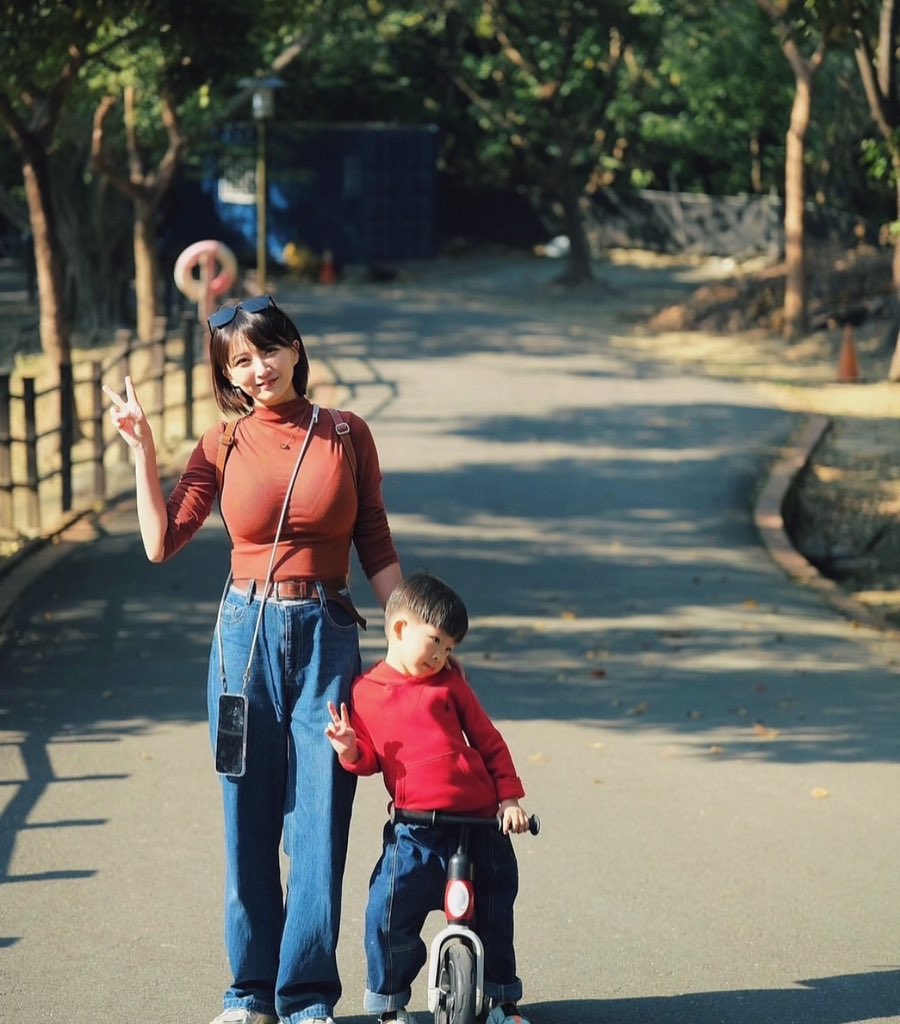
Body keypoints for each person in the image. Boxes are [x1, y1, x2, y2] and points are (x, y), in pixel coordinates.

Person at [104, 294, 403, 1024]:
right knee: (246, 816)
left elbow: (374, 541)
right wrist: (142, 450)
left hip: (328, 633)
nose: (258, 368)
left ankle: (306, 999)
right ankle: (248, 994)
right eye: (240, 360)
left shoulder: (345, 433)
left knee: (320, 821)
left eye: (268, 350)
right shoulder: (221, 444)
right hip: (243, 637)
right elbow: (161, 542)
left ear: (295, 348)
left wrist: (409, 636)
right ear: (227, 375)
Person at [325, 572, 532, 1024]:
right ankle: (390, 1004)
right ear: (400, 629)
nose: (440, 655)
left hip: (479, 825)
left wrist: (509, 801)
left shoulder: (450, 684)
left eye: (449, 648)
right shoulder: (365, 692)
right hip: (415, 830)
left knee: (494, 913)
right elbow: (370, 760)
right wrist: (349, 750)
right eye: (435, 641)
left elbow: (489, 742)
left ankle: (503, 1002)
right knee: (388, 913)